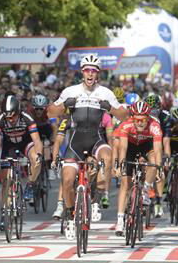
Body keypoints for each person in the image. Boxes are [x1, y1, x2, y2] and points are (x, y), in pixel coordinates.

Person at [47, 54, 127, 239]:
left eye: (94, 70)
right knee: (67, 182)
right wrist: (64, 105)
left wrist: (111, 108)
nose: (90, 74)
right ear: (82, 72)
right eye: (87, 70)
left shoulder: (106, 92)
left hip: (96, 138)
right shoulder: (70, 90)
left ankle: (97, 198)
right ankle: (68, 214)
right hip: (76, 140)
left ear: (98, 73)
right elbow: (50, 111)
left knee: (107, 156)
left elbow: (124, 116)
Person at [0, 95, 43, 230]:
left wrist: (39, 155)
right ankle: (4, 214)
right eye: (8, 117)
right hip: (9, 146)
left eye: (13, 116)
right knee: (5, 183)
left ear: (18, 112)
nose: (10, 120)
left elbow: (37, 141)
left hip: (26, 143)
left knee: (36, 158)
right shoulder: (0, 119)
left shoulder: (27, 118)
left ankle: (30, 185)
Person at [115, 101, 162, 236]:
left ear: (148, 118)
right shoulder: (126, 125)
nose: (140, 123)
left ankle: (146, 188)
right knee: (125, 183)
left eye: (143, 120)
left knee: (153, 163)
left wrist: (158, 167)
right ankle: (120, 220)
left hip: (146, 146)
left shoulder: (155, 126)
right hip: (130, 146)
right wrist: (121, 165)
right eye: (137, 120)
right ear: (132, 118)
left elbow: (158, 149)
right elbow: (123, 148)